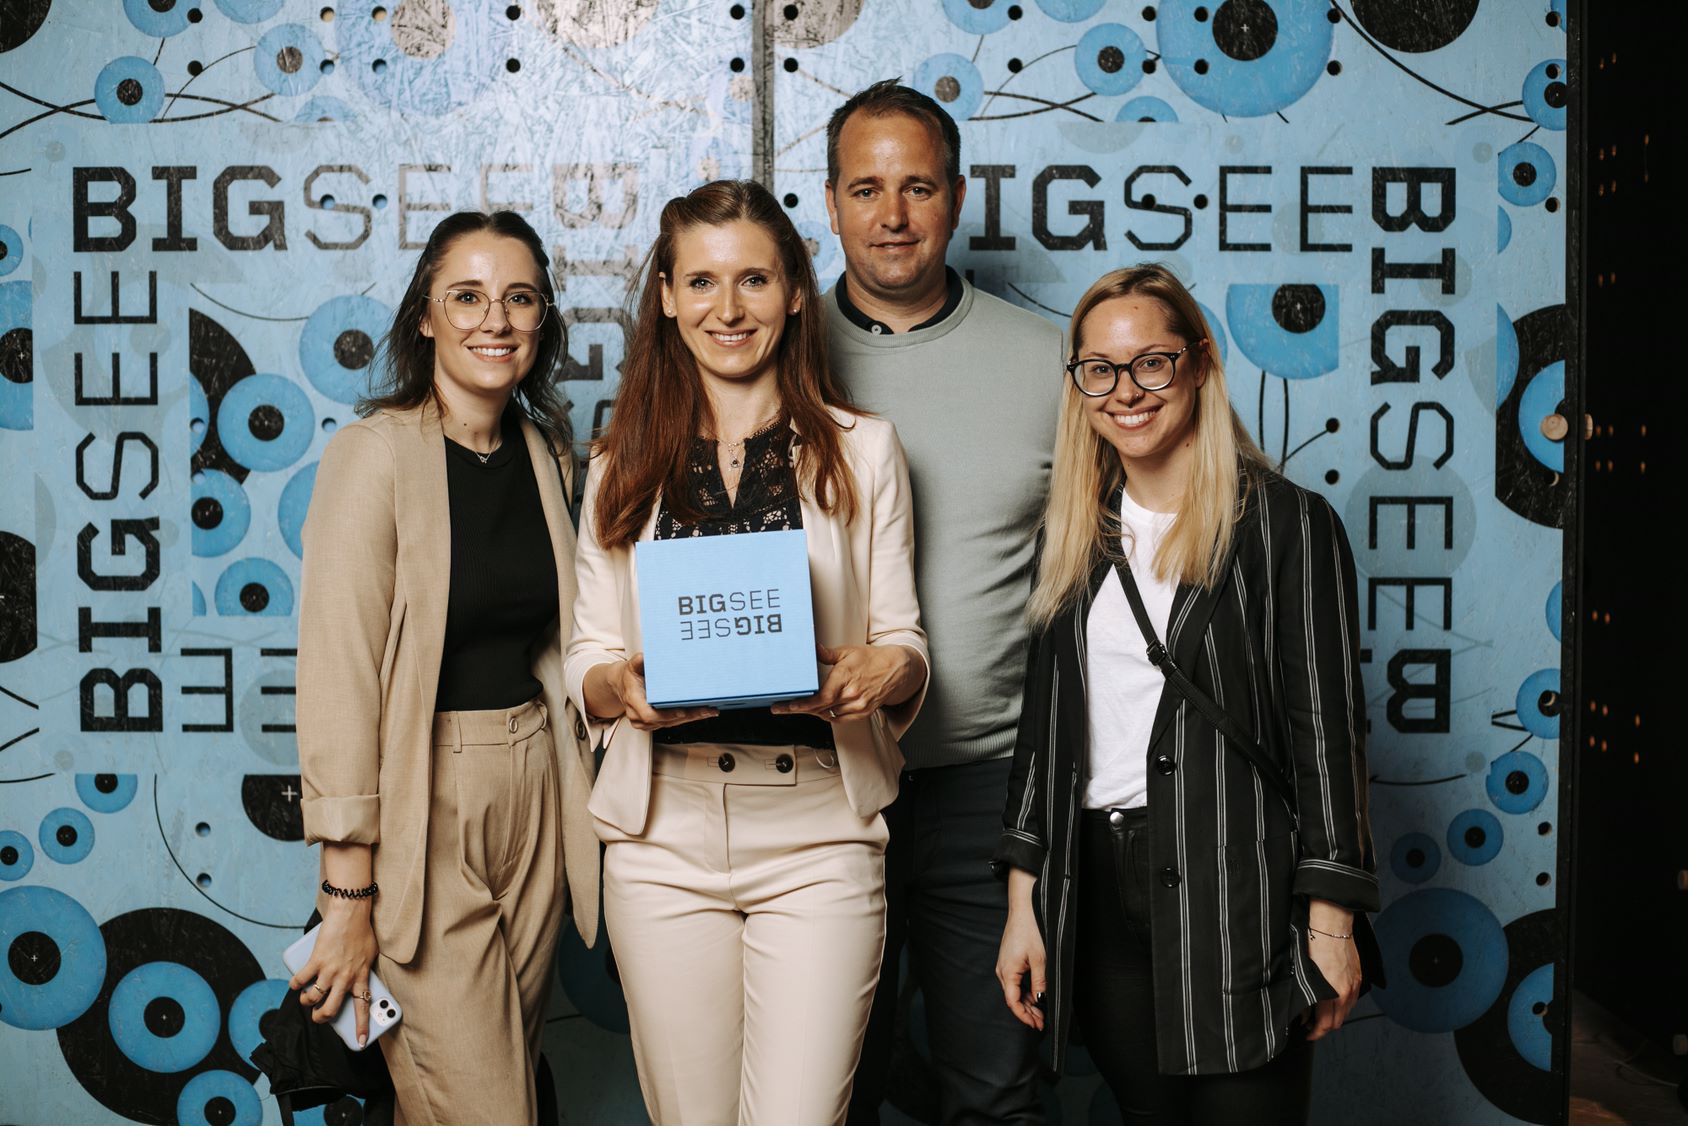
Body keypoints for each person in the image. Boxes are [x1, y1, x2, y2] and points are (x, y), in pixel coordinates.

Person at [565, 178, 929, 1126]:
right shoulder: (615, 463)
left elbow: (904, 639)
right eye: (701, 282)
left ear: (796, 292)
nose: (727, 309)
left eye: (754, 280)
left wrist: (886, 671)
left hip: (818, 832)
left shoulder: (866, 450)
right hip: (661, 835)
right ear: (666, 298)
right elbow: (587, 655)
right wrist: (616, 687)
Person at [993, 264, 1379, 1125]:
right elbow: (1044, 734)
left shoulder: (1287, 524)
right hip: (1097, 888)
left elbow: (1327, 733)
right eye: (1099, 369)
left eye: (1151, 363)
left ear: (1199, 363)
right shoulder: (1073, 534)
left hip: (1235, 883)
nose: (1125, 392)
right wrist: (1025, 904)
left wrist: (1331, 924)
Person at [291, 210, 600, 1126]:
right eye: (466, 297)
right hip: (424, 800)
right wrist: (348, 894)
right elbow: (340, 678)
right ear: (425, 316)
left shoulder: (545, 454)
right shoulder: (372, 456)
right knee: (489, 1108)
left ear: (542, 319)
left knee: (495, 1081)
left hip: (536, 785)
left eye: (519, 298)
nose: (494, 319)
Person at [822, 80, 1060, 1124]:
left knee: (996, 1092)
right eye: (865, 189)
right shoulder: (769, 353)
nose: (892, 215)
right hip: (819, 782)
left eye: (917, 187)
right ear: (830, 202)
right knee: (824, 1093)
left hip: (989, 789)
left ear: (957, 198)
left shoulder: (1048, 360)